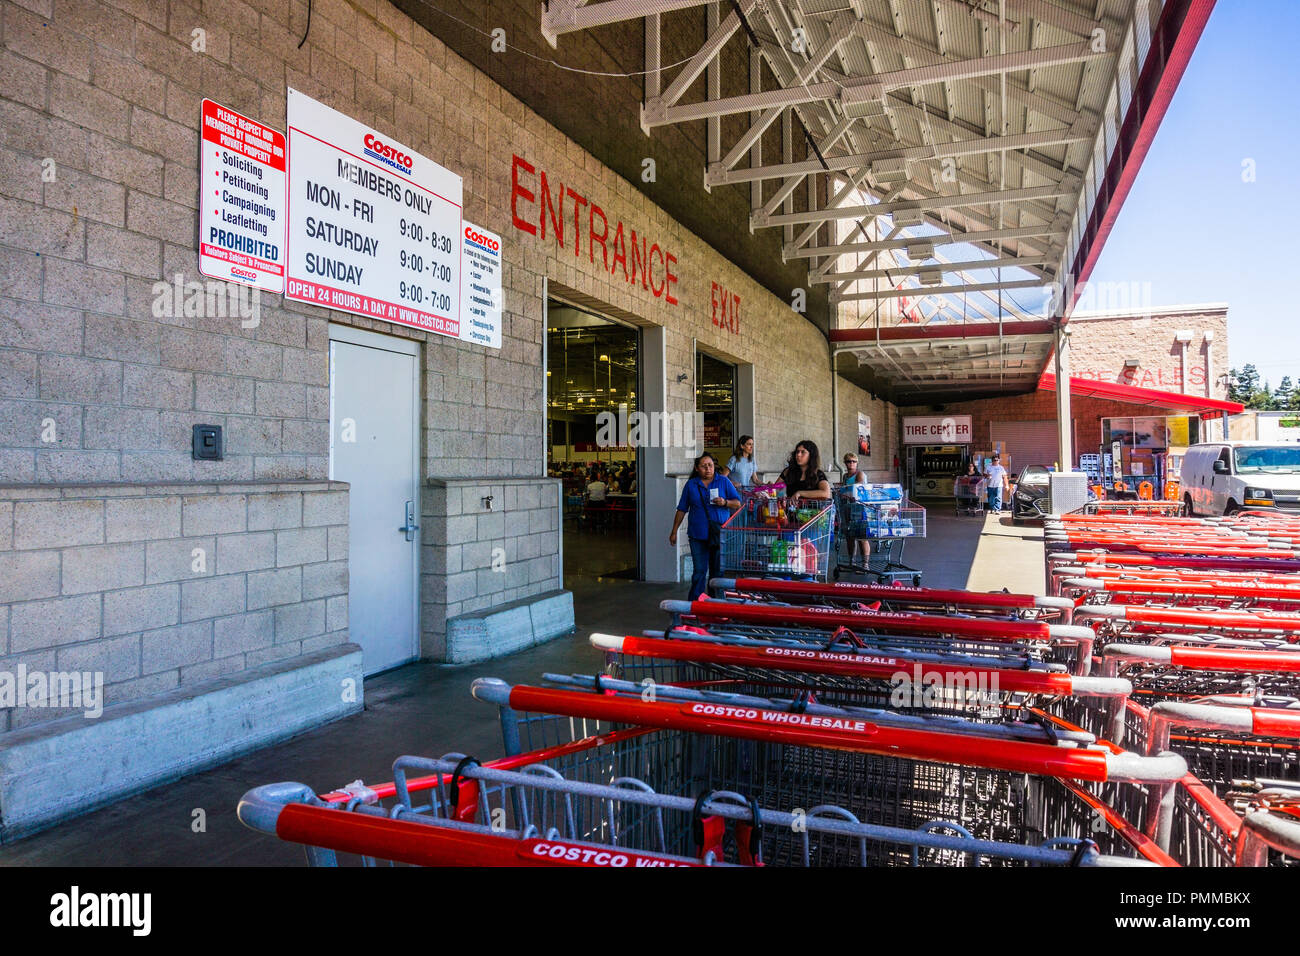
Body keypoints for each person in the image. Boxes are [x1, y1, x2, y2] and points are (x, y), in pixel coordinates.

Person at [670, 453, 742, 600]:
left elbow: (738, 502)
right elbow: (682, 509)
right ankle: (695, 604)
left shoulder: (723, 481)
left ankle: (715, 602)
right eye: (703, 466)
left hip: (718, 534)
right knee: (699, 571)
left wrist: (725, 502)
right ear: (697, 468)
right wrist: (674, 531)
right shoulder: (691, 485)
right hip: (697, 534)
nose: (708, 469)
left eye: (710, 465)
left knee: (717, 572)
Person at [839, 452, 870, 566]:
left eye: (853, 461)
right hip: (848, 507)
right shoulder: (845, 476)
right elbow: (844, 489)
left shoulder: (859, 474)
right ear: (845, 463)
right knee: (850, 536)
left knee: (862, 536)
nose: (851, 463)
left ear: (857, 463)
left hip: (859, 507)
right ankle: (852, 561)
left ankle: (865, 563)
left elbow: (859, 486)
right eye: (848, 461)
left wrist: (844, 489)